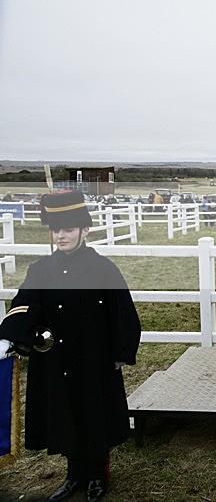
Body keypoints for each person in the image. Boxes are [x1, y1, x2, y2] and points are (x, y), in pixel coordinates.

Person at [0, 190, 141, 501]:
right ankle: (74, 475)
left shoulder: (103, 269)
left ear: (84, 230)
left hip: (93, 358)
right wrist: (9, 334)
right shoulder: (41, 269)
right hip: (56, 359)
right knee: (65, 414)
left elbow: (122, 312)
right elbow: (25, 303)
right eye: (55, 230)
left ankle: (98, 475)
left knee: (94, 414)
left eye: (67, 229)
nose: (60, 236)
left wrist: (120, 352)